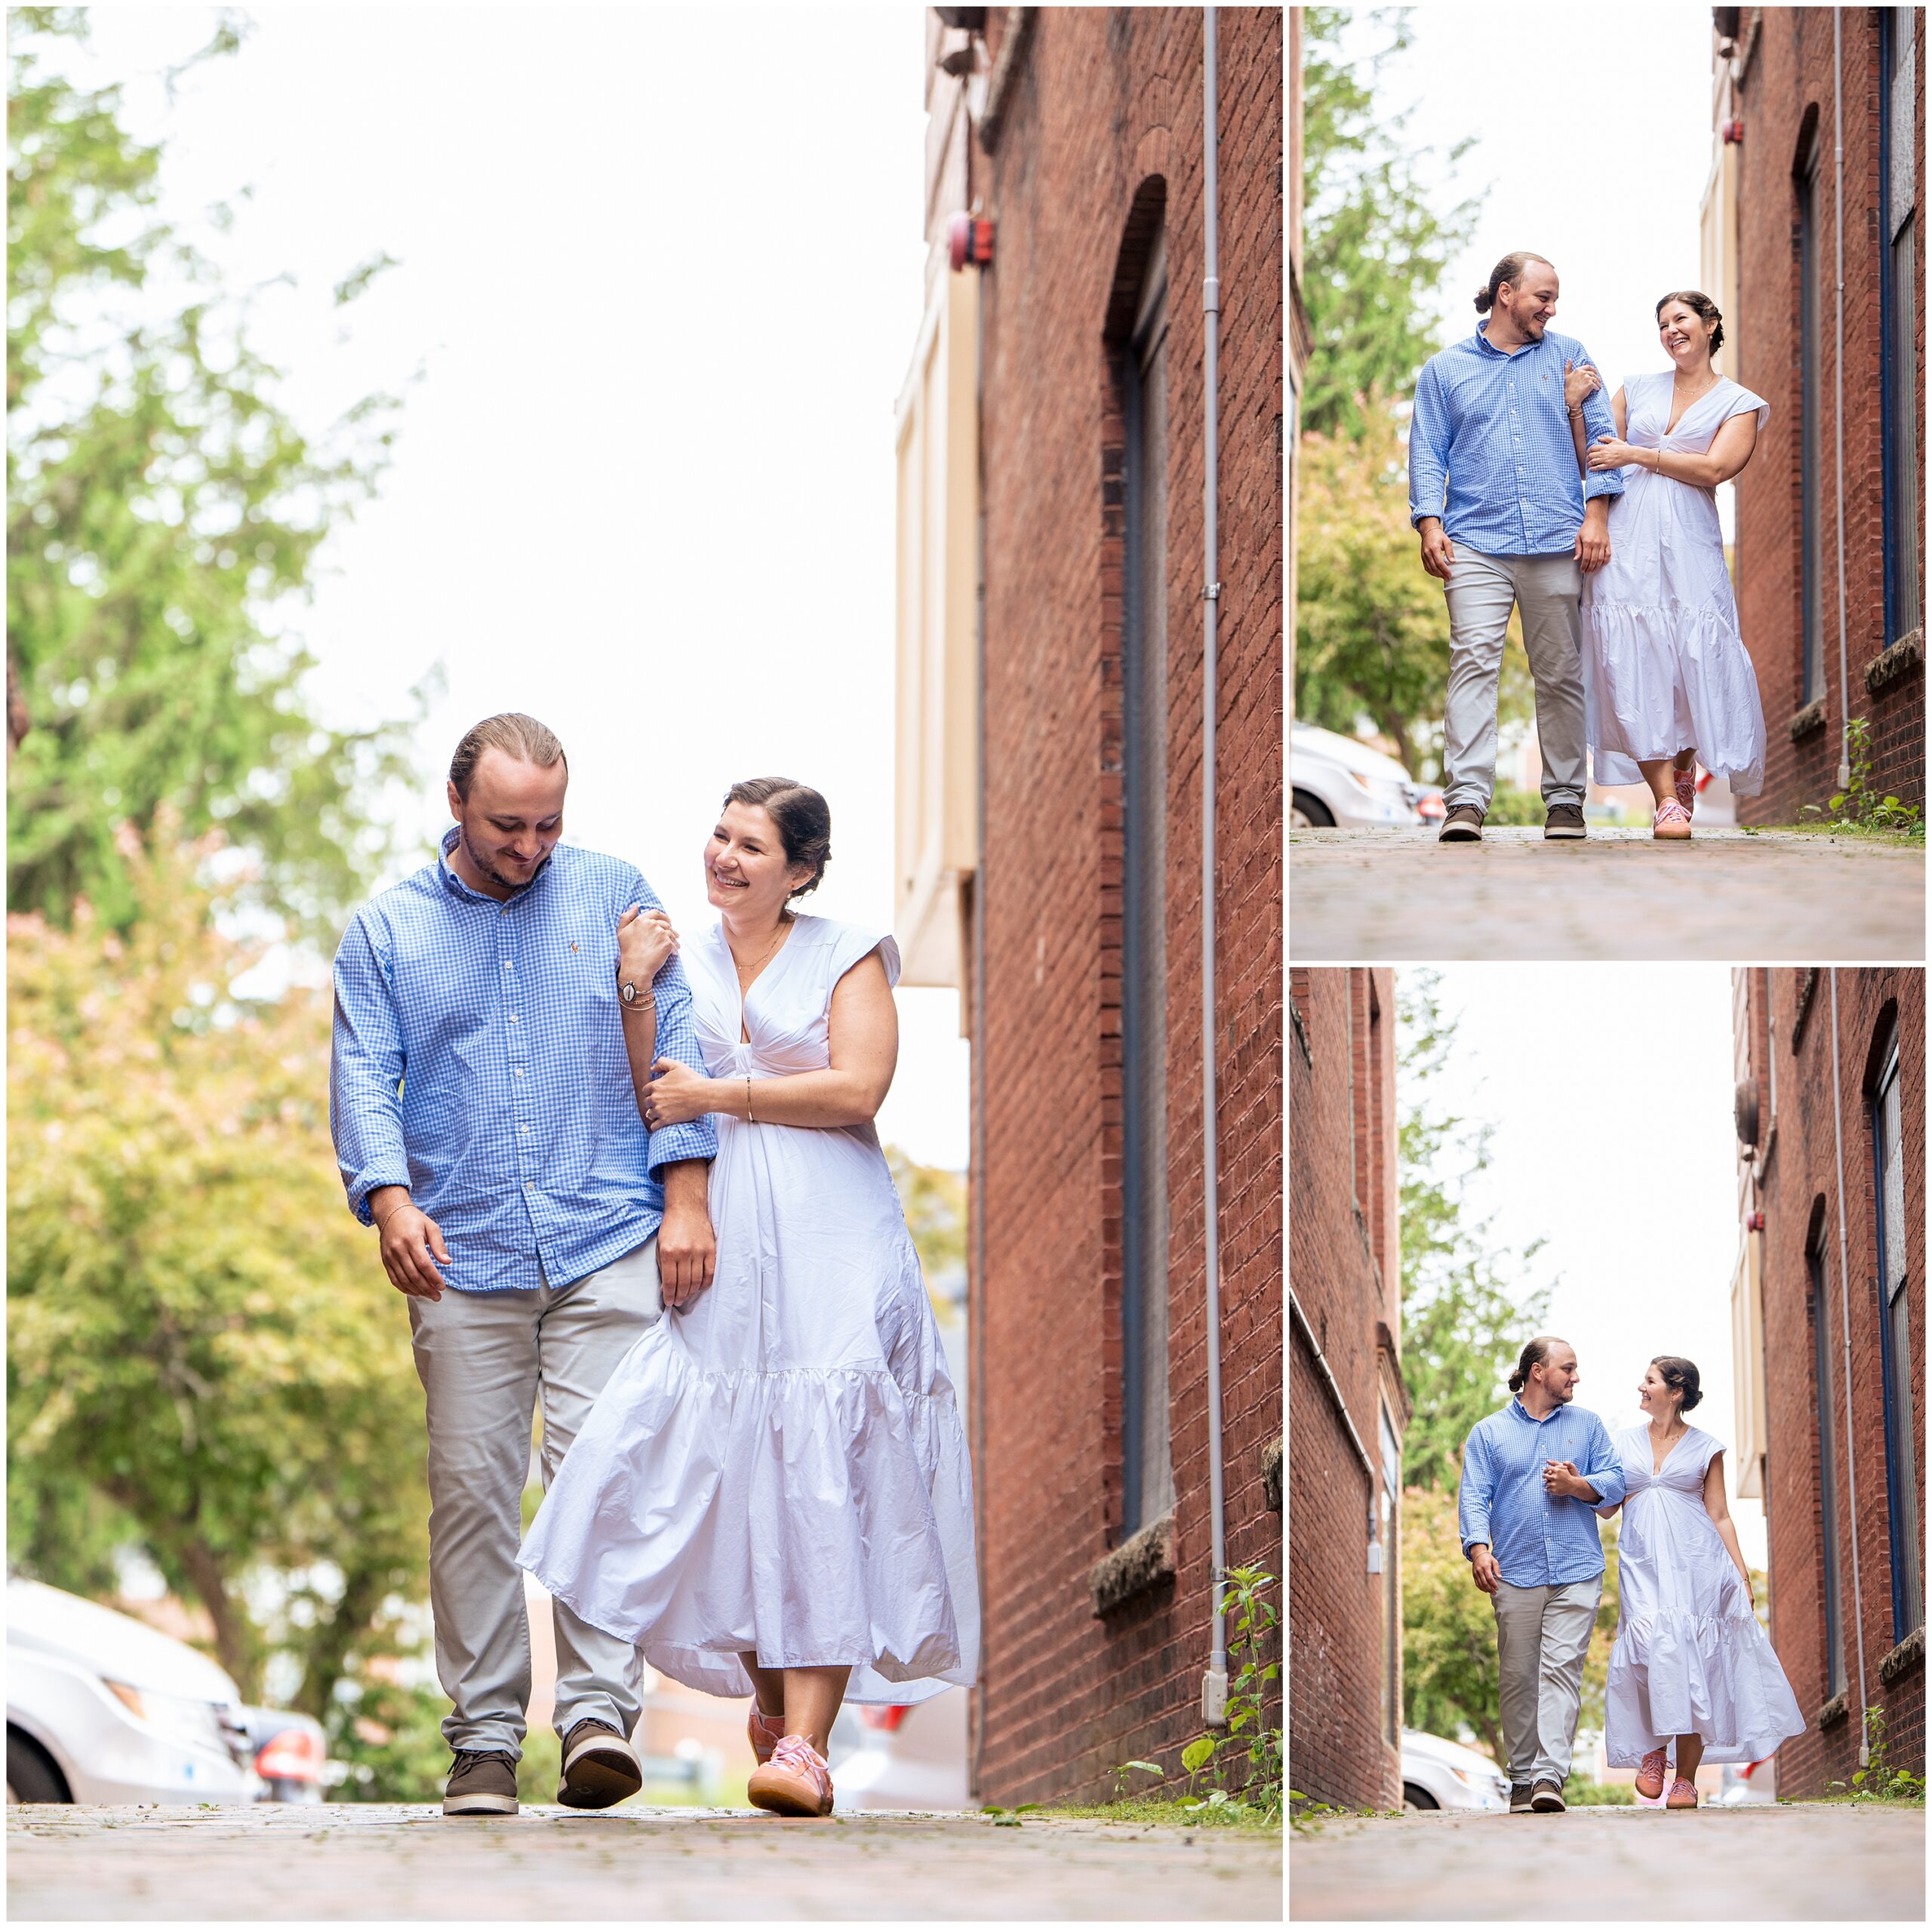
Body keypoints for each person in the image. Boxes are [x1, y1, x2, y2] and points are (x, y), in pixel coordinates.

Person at [520, 779, 979, 1819]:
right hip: (721, 1235)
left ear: (802, 870)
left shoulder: (846, 950)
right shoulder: (683, 953)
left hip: (830, 1234)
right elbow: (653, 1086)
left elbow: (858, 1089)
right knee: (735, 1464)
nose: (725, 855)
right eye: (720, 834)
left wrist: (722, 1094)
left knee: (829, 1459)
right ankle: (773, 1711)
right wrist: (639, 985)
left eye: (752, 844)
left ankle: (810, 1746)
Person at [330, 713, 719, 1818]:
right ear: (457, 803)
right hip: (464, 1250)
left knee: (604, 1482)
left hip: (604, 1234)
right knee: (471, 1497)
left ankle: (598, 1717)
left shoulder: (612, 893)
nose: (531, 845)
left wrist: (686, 1190)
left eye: (550, 822)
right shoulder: (390, 929)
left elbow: (674, 1049)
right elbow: (366, 1074)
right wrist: (388, 1195)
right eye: (508, 824)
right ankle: (485, 1742)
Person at [1407, 251, 1626, 844]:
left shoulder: (1569, 356)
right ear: (1507, 293)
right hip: (1475, 541)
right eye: (1543, 297)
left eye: (1554, 299)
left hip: (1558, 539)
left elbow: (1604, 445)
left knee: (1559, 674)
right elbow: (1428, 452)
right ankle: (1467, 802)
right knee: (1472, 662)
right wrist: (1429, 523)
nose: (1551, 309)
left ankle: (1564, 801)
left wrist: (1597, 515)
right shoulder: (1445, 370)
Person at [1563, 291, 1770, 839]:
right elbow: (1596, 452)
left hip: (1689, 542)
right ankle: (1664, 801)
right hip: (1626, 539)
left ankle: (1683, 771)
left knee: (1689, 659)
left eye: (1680, 319)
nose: (1671, 330)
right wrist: (1573, 405)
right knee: (1632, 660)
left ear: (1710, 324)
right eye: (1662, 324)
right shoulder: (1638, 386)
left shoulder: (1739, 402)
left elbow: (1715, 468)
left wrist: (1640, 454)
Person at [1588, 1357, 1804, 1808]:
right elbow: (1608, 1506)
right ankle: (1653, 1751)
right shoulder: (1623, 1443)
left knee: (1694, 1663)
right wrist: (1576, 1485)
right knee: (1647, 1651)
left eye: (1649, 1381)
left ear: (1676, 1391)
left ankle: (1685, 1778)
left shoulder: (1708, 1447)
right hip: (1643, 1564)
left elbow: (1720, 1513)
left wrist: (1741, 1575)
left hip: (1698, 1567)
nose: (1640, 1387)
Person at [1458, 1336, 1627, 1814]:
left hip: (1577, 1569)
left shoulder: (1589, 1426)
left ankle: (1549, 1776)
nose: (1576, 1377)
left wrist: (1578, 1485)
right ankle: (1520, 1777)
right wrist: (1478, 1548)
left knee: (1561, 1671)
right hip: (1514, 1570)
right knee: (1516, 1676)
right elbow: (1474, 1495)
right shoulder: (1489, 1433)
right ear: (1538, 1371)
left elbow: (1615, 1481)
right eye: (1568, 1368)